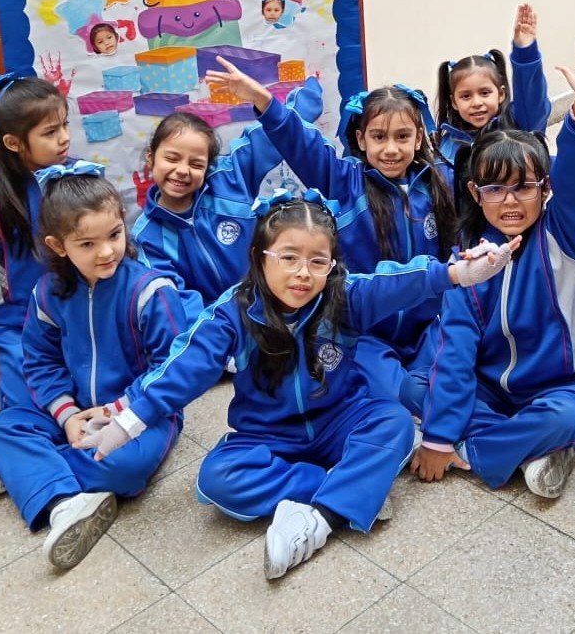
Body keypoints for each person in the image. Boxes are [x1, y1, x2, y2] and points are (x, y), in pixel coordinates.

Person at [77, 191, 515, 579]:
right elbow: (181, 370)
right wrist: (128, 420)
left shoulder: (346, 295)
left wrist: (461, 273)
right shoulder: (231, 313)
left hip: (341, 418)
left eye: (317, 261)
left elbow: (403, 281)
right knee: (217, 478)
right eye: (288, 257)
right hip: (267, 434)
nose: (303, 274)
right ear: (260, 256)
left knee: (395, 423)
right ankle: (352, 487)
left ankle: (320, 519)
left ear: (332, 265)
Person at [413, 40, 575, 499]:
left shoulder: (565, 233)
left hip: (563, 386)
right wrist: (439, 436)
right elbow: (458, 348)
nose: (510, 201)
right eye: (495, 189)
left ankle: (484, 451)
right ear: (475, 192)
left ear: (545, 189)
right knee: (413, 385)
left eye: (523, 188)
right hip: (492, 388)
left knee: (562, 417)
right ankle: (534, 450)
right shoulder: (468, 259)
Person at [204, 62, 456, 413]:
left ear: (418, 137)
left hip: (426, 327)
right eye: (379, 137)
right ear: (360, 139)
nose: (391, 149)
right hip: (365, 332)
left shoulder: (440, 184)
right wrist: (263, 99)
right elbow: (301, 143)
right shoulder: (344, 180)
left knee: (446, 391)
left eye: (402, 136)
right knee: (399, 397)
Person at [0, 165, 188, 570]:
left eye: (114, 235)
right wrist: (68, 416)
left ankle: (29, 470)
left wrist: (117, 412)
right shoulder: (48, 293)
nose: (106, 251)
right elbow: (41, 361)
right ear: (58, 245)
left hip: (142, 414)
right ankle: (58, 496)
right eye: (87, 243)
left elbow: (171, 371)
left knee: (126, 468)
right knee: (4, 427)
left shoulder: (150, 292)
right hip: (73, 413)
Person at [131, 81, 323, 317]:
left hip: (279, 305)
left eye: (196, 164)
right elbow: (176, 302)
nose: (182, 170)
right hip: (224, 328)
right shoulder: (146, 236)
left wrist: (307, 99)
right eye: (172, 158)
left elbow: (269, 138)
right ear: (151, 158)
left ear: (208, 166)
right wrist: (220, 333)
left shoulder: (228, 179)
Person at [0, 72, 75, 420]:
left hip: (75, 309)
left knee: (96, 384)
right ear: (12, 142)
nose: (64, 138)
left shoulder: (77, 175)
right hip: (14, 322)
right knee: (28, 402)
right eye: (50, 132)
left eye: (65, 125)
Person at [434, 3, 552, 164]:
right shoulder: (447, 148)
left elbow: (533, 101)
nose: (476, 102)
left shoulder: (518, 126)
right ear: (454, 102)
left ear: (501, 94)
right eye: (466, 96)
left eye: (484, 93)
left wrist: (525, 53)